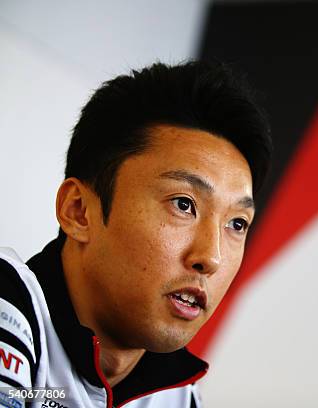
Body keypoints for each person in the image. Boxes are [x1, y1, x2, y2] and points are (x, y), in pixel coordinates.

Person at [0, 61, 272, 408]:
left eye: (236, 224)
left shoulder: (180, 398)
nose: (212, 258)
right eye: (184, 204)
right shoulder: (9, 305)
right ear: (78, 211)